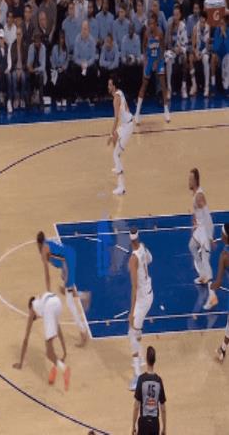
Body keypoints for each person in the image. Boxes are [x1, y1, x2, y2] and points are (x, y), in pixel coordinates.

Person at [37, 231, 88, 347]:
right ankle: (84, 295)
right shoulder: (47, 242)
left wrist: (48, 292)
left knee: (70, 302)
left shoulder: (44, 250)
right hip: (67, 259)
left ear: (38, 243)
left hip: (68, 261)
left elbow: (47, 274)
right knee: (65, 290)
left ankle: (83, 332)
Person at [12, 292, 71, 390]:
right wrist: (64, 353)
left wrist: (21, 363)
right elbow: (59, 331)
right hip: (57, 302)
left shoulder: (33, 310)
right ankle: (56, 367)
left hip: (49, 306)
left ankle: (64, 369)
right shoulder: (40, 303)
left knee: (48, 353)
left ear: (30, 307)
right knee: (50, 347)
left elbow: (26, 339)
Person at [127, 228, 153, 391]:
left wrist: (131, 312)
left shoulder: (132, 260)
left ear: (130, 240)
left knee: (131, 333)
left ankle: (138, 376)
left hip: (142, 300)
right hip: (150, 293)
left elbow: (134, 287)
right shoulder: (143, 247)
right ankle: (141, 358)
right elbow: (150, 259)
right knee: (136, 330)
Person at [134, 14, 170, 124]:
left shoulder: (160, 33)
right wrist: (145, 60)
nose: (151, 26)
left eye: (153, 24)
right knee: (144, 85)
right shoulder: (146, 33)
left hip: (158, 59)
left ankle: (166, 110)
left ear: (156, 24)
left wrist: (158, 61)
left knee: (163, 85)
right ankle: (137, 113)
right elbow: (144, 47)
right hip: (149, 60)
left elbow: (163, 48)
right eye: (150, 24)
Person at [188, 168, 214, 290]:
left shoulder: (199, 196)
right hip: (200, 229)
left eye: (191, 179)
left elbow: (207, 215)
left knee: (205, 257)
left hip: (204, 230)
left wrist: (210, 236)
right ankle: (204, 275)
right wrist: (194, 223)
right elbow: (197, 212)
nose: (189, 181)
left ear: (196, 181)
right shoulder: (195, 194)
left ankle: (208, 282)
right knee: (192, 246)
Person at [107, 74, 133, 196]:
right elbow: (127, 108)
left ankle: (121, 187)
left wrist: (110, 133)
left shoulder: (116, 99)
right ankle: (118, 166)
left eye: (110, 85)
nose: (108, 87)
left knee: (115, 154)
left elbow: (116, 118)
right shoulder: (120, 92)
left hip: (127, 126)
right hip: (126, 124)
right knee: (115, 140)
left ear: (114, 86)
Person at [131, 346, 167, 435]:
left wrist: (133, 425)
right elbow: (163, 408)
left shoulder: (141, 379)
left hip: (143, 422)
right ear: (154, 360)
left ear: (146, 360)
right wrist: (164, 428)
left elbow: (136, 406)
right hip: (155, 423)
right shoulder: (159, 381)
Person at [209, 223, 229, 361]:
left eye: (221, 233)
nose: (220, 234)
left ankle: (223, 349)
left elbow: (218, 283)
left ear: (225, 237)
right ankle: (223, 349)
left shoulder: (224, 256)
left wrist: (211, 287)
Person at [165, 4, 188, 99]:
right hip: (172, 51)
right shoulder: (170, 25)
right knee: (168, 58)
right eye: (174, 15)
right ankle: (169, 88)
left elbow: (185, 43)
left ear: (180, 15)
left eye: (177, 15)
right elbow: (167, 43)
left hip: (181, 50)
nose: (175, 17)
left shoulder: (183, 26)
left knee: (185, 58)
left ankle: (183, 87)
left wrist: (180, 49)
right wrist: (173, 49)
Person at [189, 11, 210, 97]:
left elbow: (207, 46)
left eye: (203, 22)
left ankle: (207, 87)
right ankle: (194, 85)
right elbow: (193, 45)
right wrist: (196, 53)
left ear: (206, 21)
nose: (202, 23)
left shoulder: (208, 28)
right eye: (201, 21)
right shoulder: (195, 28)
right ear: (199, 20)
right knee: (190, 58)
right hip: (197, 51)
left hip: (204, 51)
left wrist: (201, 54)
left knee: (205, 59)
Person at [0, 28, 13, 113]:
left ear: (4, 39)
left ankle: (9, 101)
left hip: (5, 70)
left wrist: (8, 69)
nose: (1, 40)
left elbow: (9, 60)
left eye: (2, 38)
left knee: (9, 77)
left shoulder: (8, 47)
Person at [11, 27, 28, 109]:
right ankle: (16, 99)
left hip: (23, 69)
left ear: (22, 35)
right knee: (14, 76)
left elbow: (26, 61)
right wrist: (16, 69)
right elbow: (11, 61)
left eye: (19, 34)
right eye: (17, 34)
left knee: (24, 77)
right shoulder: (13, 46)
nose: (18, 36)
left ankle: (22, 98)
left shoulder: (24, 45)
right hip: (15, 69)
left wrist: (21, 70)